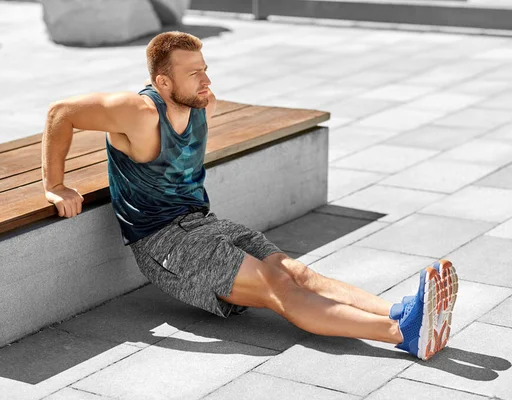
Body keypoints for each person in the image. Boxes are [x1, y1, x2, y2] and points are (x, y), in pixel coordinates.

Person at [41, 31, 458, 361]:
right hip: (165, 243)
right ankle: (403, 335)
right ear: (162, 81)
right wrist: (55, 184)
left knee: (297, 272)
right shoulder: (138, 112)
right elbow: (61, 112)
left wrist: (199, 92)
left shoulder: (200, 102)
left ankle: (398, 312)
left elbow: (198, 106)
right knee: (281, 289)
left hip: (206, 225)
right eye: (193, 74)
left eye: (205, 69)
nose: (206, 80)